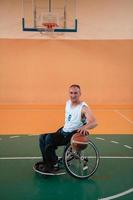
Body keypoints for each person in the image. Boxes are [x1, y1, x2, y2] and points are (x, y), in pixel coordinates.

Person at [38, 84, 97, 173]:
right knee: (42, 137)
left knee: (49, 139)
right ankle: (47, 161)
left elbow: (94, 122)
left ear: (80, 93)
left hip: (72, 134)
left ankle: (53, 164)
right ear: (68, 93)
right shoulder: (68, 103)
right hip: (64, 131)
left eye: (76, 93)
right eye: (71, 93)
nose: (73, 95)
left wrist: (85, 127)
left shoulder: (83, 107)